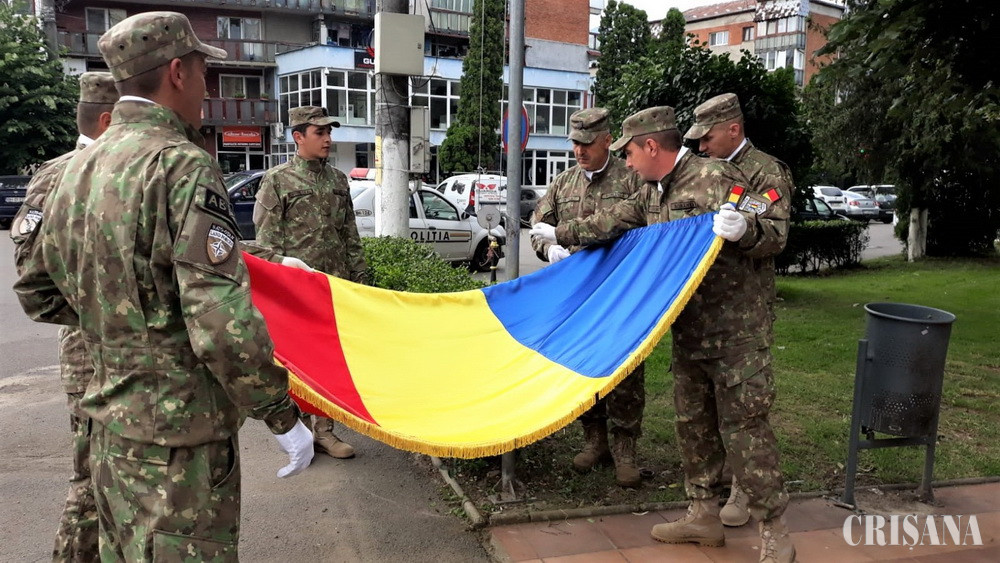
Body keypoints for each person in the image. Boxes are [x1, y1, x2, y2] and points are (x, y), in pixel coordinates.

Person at [13, 12, 314, 560]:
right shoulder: (181, 165)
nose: (207, 88)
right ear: (177, 72)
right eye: (204, 73)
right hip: (180, 443)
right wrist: (280, 413)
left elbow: (37, 289)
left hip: (110, 429)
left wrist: (121, 326)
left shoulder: (72, 170)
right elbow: (220, 324)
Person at [530, 106, 794, 563]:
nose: (627, 163)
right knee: (693, 427)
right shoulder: (652, 191)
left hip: (736, 333)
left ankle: (774, 530)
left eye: (630, 153)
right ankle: (703, 515)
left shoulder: (718, 178)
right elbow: (612, 220)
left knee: (746, 430)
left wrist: (746, 229)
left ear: (651, 147)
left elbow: (774, 230)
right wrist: (559, 232)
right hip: (689, 330)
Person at [9, 70, 118, 563]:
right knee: (92, 478)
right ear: (108, 119)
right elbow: (32, 276)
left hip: (135, 355)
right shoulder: (58, 175)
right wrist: (102, 315)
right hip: (89, 352)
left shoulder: (128, 169)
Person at [684, 92, 794, 528]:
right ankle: (706, 502)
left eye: (707, 137)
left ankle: (742, 490)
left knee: (743, 410)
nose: (701, 146)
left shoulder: (765, 172)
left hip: (743, 314)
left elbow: (776, 235)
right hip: (703, 312)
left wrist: (745, 229)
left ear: (733, 129)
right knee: (703, 411)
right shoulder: (702, 173)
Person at [530, 107, 648, 487]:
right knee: (582, 365)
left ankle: (625, 449)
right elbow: (539, 225)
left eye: (587, 143)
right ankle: (594, 439)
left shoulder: (631, 178)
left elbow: (644, 224)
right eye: (575, 144)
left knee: (625, 370)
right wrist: (548, 248)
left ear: (607, 141)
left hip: (620, 294)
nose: (579, 151)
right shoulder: (563, 183)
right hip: (578, 296)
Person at [253, 105, 367, 459]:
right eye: (320, 132)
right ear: (298, 136)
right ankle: (298, 433)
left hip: (333, 287)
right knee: (296, 363)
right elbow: (266, 243)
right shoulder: (277, 180)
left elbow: (350, 234)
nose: (328, 138)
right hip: (295, 291)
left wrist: (360, 278)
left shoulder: (338, 180)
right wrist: (276, 287)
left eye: (329, 131)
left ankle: (325, 432)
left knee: (330, 361)